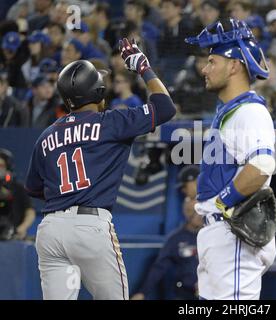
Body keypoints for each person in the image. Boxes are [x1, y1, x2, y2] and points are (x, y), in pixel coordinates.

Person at [24, 38, 176, 300]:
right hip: (89, 225)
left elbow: (33, 187)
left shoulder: (46, 135)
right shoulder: (111, 121)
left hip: (50, 228)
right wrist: (143, 67)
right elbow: (165, 107)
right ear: (99, 92)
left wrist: (64, 198)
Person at [185, 18, 276, 300]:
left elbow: (261, 166)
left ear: (234, 64)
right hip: (219, 234)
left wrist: (223, 201)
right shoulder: (230, 110)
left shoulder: (250, 110)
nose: (204, 68)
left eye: (212, 61)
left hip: (233, 232)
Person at [131, 165, 202, 300]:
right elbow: (159, 268)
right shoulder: (177, 238)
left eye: (197, 210)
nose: (183, 191)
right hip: (185, 295)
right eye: (190, 212)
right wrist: (143, 292)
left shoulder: (216, 233)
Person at [0, 148, 36, 240]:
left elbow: (30, 212)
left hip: (13, 237)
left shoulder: (19, 189)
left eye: (1, 166)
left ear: (7, 168)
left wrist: (21, 229)